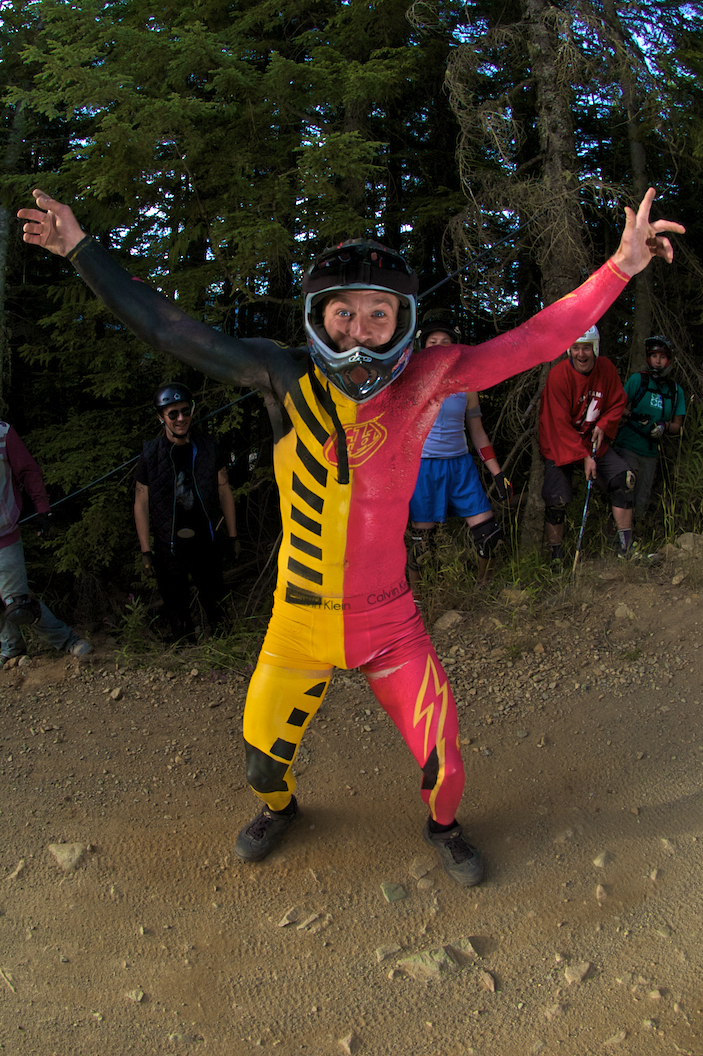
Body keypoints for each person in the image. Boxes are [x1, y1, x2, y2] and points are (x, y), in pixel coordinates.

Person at [18, 187, 683, 886]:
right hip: (297, 622)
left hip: (390, 623)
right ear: (318, 317)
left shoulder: (430, 377)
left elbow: (536, 340)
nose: (359, 330)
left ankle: (443, 828)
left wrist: (619, 267)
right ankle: (281, 809)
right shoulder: (282, 374)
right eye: (344, 313)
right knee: (260, 768)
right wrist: (79, 249)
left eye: (377, 313)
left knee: (447, 769)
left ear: (402, 320)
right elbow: (170, 330)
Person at [408, 310, 512, 587]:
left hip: (460, 466)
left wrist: (497, 473)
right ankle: (417, 599)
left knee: (488, 535)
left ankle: (482, 590)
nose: (439, 347)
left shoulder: (467, 383)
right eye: (433, 342)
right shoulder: (411, 381)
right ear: (423, 347)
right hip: (424, 467)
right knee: (422, 544)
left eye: (446, 342)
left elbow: (477, 431)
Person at [134, 382, 238, 640]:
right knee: (176, 606)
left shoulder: (208, 446)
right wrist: (146, 550)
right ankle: (184, 645)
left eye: (185, 411)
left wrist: (233, 535)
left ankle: (222, 643)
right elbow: (141, 502)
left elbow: (224, 490)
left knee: (215, 600)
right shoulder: (150, 453)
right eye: (173, 413)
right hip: (169, 544)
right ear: (161, 417)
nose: (181, 418)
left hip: (206, 539)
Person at [539, 325, 635, 561]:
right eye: (576, 348)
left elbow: (617, 402)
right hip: (560, 444)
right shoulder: (558, 376)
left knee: (624, 480)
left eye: (586, 348)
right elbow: (557, 423)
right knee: (556, 499)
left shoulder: (606, 369)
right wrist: (584, 457)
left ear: (595, 349)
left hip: (593, 442)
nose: (581, 354)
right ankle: (556, 558)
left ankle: (626, 549)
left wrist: (604, 424)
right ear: (569, 350)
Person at [0, 420, 92, 665]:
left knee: (18, 605)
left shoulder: (3, 433)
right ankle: (11, 648)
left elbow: (29, 471)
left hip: (4, 536)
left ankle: (69, 641)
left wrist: (42, 508)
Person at [613, 335, 686, 523]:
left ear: (669, 360)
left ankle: (636, 535)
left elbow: (677, 425)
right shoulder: (638, 380)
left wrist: (665, 426)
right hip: (629, 445)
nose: (658, 361)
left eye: (662, 357)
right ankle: (616, 535)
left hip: (651, 451)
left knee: (642, 499)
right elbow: (617, 406)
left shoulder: (675, 391)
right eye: (654, 356)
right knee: (625, 490)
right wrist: (633, 416)